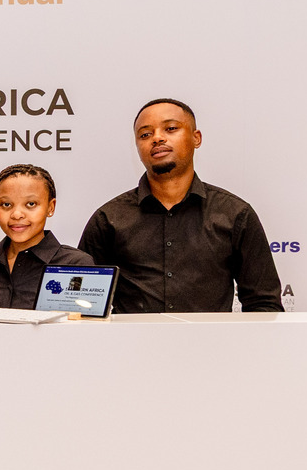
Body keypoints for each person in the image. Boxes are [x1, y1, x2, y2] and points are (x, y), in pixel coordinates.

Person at [78, 98, 283, 313]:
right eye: (145, 134)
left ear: (196, 138)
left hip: (211, 336)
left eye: (171, 128)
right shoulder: (108, 219)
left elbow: (264, 305)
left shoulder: (235, 214)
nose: (157, 138)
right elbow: (80, 305)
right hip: (132, 337)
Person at [0, 164, 93, 308]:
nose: (17, 215)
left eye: (30, 204)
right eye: (6, 204)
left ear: (50, 207)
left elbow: (85, 320)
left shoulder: (76, 265)